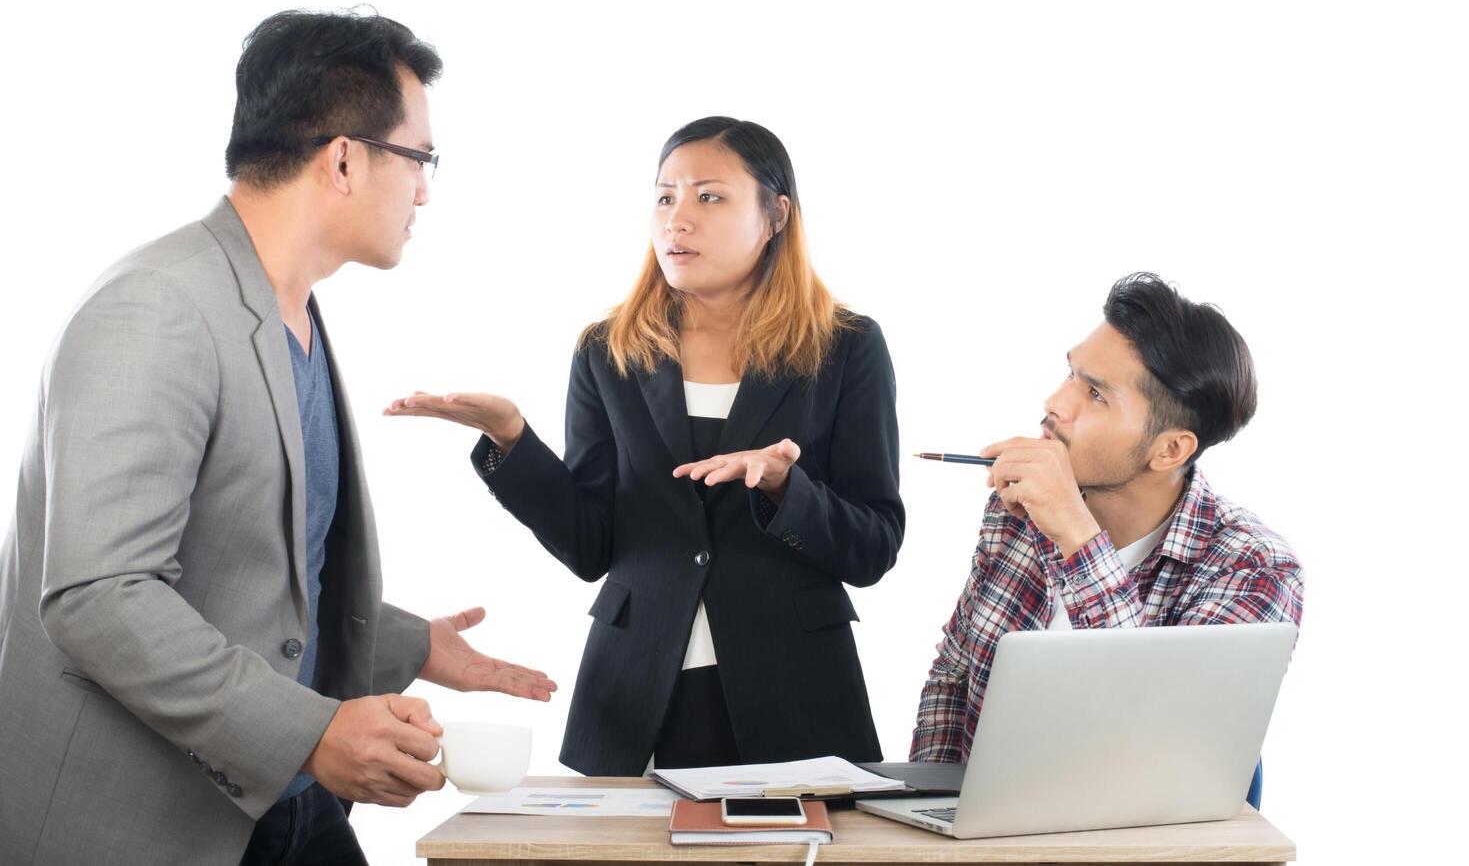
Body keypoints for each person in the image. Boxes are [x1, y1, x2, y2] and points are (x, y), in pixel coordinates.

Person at [0, 9, 556, 866]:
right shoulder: (156, 307)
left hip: (286, 805)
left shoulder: (287, 303)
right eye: (421, 159)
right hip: (147, 821)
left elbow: (249, 557)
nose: (425, 191)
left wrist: (408, 644)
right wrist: (311, 732)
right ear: (343, 158)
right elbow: (100, 592)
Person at [386, 117, 904, 775]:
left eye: (708, 197)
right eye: (665, 196)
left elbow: (874, 546)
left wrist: (782, 487)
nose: (677, 219)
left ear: (775, 214)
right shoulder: (608, 352)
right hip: (636, 696)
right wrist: (510, 440)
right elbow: (590, 545)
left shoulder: (846, 348)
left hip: (795, 693)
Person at [909, 273, 1304, 800]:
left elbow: (1159, 752)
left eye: (1095, 394)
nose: (1055, 402)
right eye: (1070, 374)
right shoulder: (1019, 511)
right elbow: (954, 674)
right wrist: (927, 815)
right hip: (990, 840)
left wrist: (1077, 533)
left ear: (1169, 451)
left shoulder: (1254, 568)